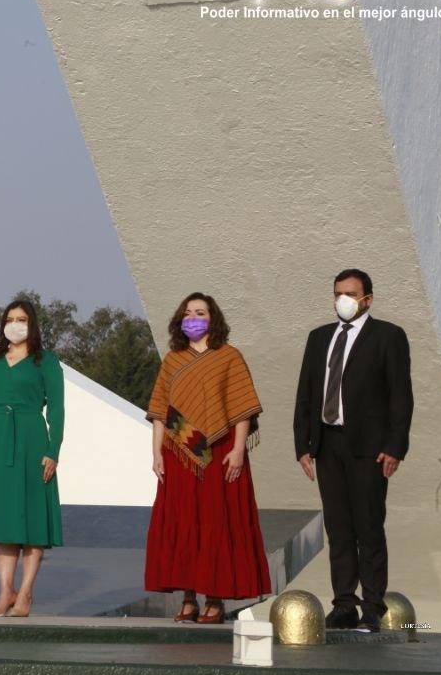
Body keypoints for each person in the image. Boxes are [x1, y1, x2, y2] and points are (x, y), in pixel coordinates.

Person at [293, 269, 412, 633]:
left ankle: (372, 605)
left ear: (368, 299)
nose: (342, 299)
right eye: (337, 293)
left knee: (369, 527)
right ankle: (343, 603)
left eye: (350, 293)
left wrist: (394, 446)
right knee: (339, 528)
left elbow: (401, 397)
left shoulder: (388, 337)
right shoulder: (319, 338)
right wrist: (303, 445)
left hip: (369, 448)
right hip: (328, 444)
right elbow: (306, 394)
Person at [144, 293, 271, 624]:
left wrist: (239, 450)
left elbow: (242, 408)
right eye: (187, 313)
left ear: (213, 319)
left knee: (216, 522)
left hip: (220, 450)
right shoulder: (173, 359)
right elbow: (160, 411)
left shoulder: (229, 357)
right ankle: (188, 597)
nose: (193, 318)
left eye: (200, 313)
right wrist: (156, 451)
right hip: (180, 451)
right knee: (185, 521)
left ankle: (215, 599)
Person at [0, 299, 64, 618]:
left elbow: (57, 410)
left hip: (32, 440)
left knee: (32, 518)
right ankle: (4, 592)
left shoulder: (46, 362)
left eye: (22, 319)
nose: (15, 324)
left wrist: (53, 450)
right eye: (10, 319)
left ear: (32, 323)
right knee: (4, 520)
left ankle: (25, 593)